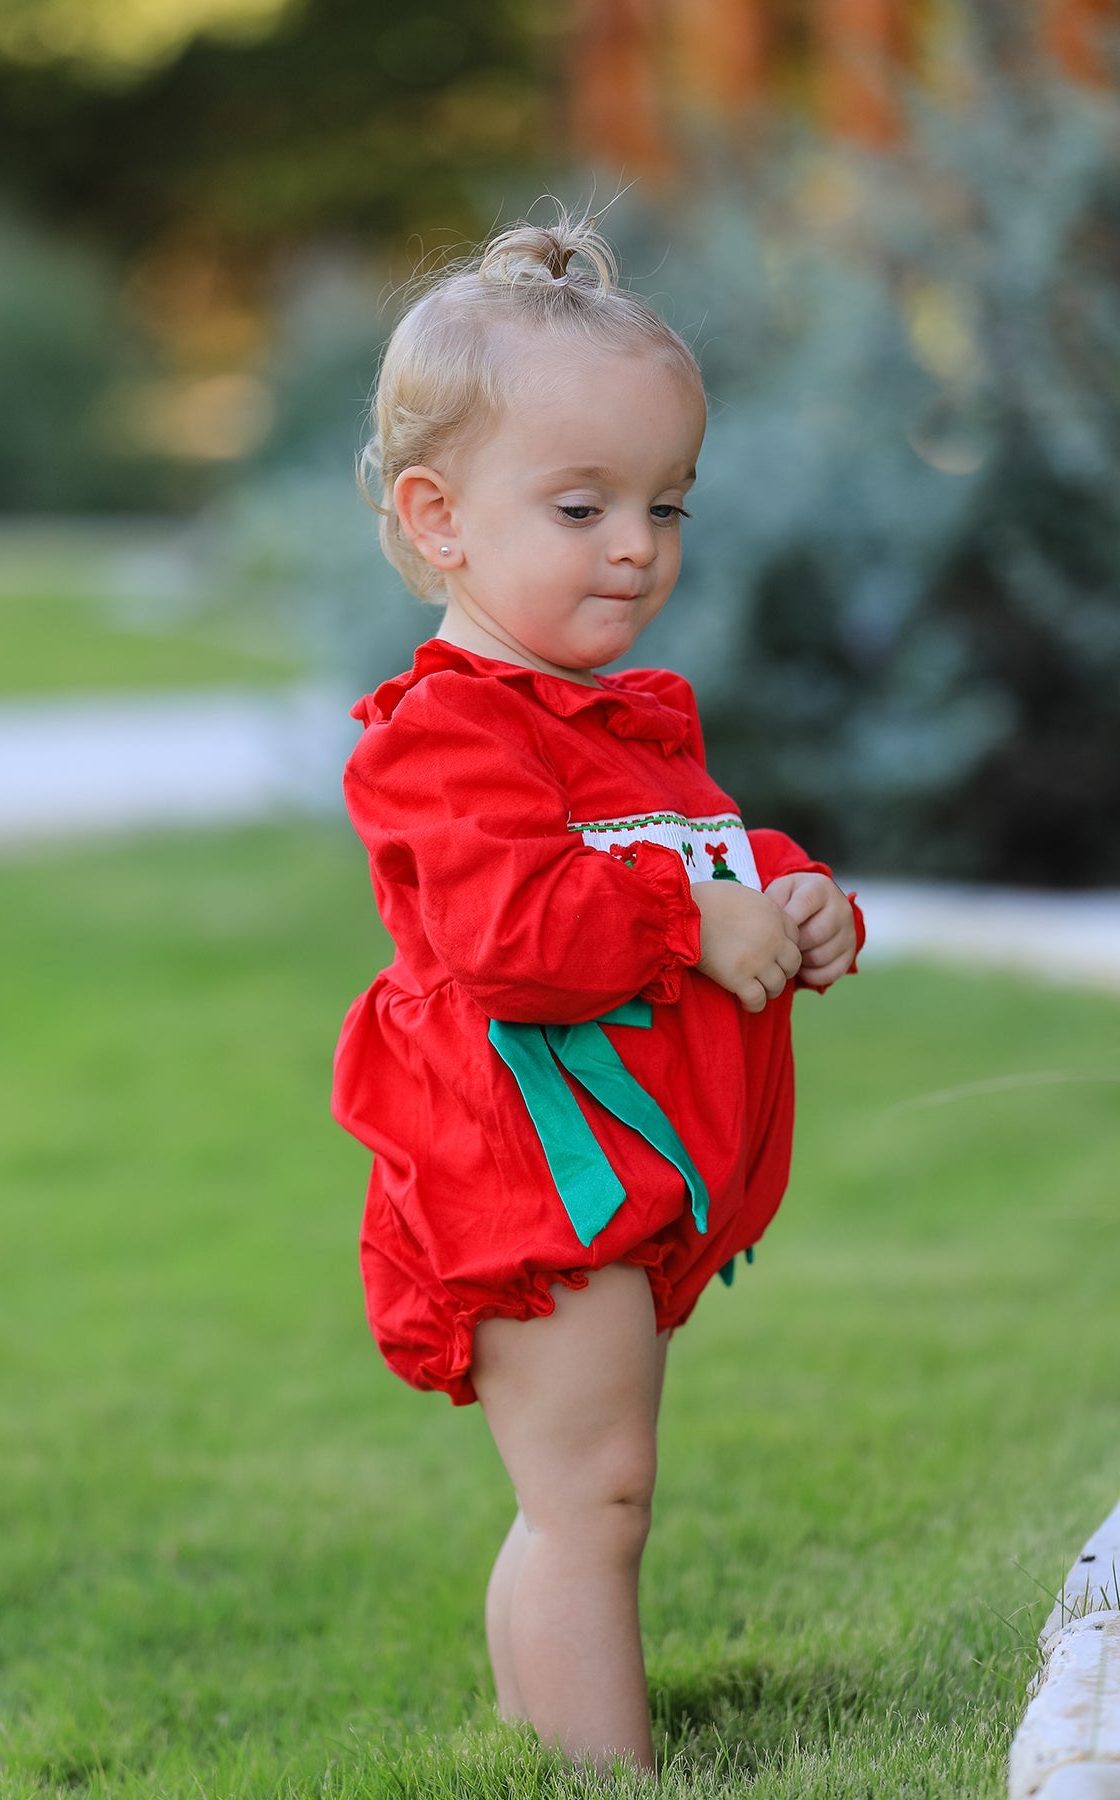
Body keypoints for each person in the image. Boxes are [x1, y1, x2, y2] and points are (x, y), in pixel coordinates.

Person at [332, 207, 863, 1773]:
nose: (636, 545)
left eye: (664, 504)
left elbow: (683, 847)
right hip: (522, 1172)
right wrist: (689, 922)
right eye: (580, 506)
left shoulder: (613, 717)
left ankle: (538, 1741)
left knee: (583, 1490)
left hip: (615, 1172)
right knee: (595, 1493)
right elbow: (513, 924)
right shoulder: (440, 734)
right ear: (439, 517)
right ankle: (601, 1771)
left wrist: (787, 891)